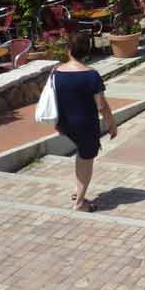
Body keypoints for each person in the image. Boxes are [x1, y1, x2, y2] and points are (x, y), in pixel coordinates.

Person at [53, 32, 117, 212]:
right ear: (87, 51)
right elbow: (101, 106)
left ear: (68, 50)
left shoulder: (56, 72)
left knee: (81, 155)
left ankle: (77, 190)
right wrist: (112, 123)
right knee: (86, 160)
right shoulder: (91, 75)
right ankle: (80, 202)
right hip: (85, 125)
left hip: (65, 124)